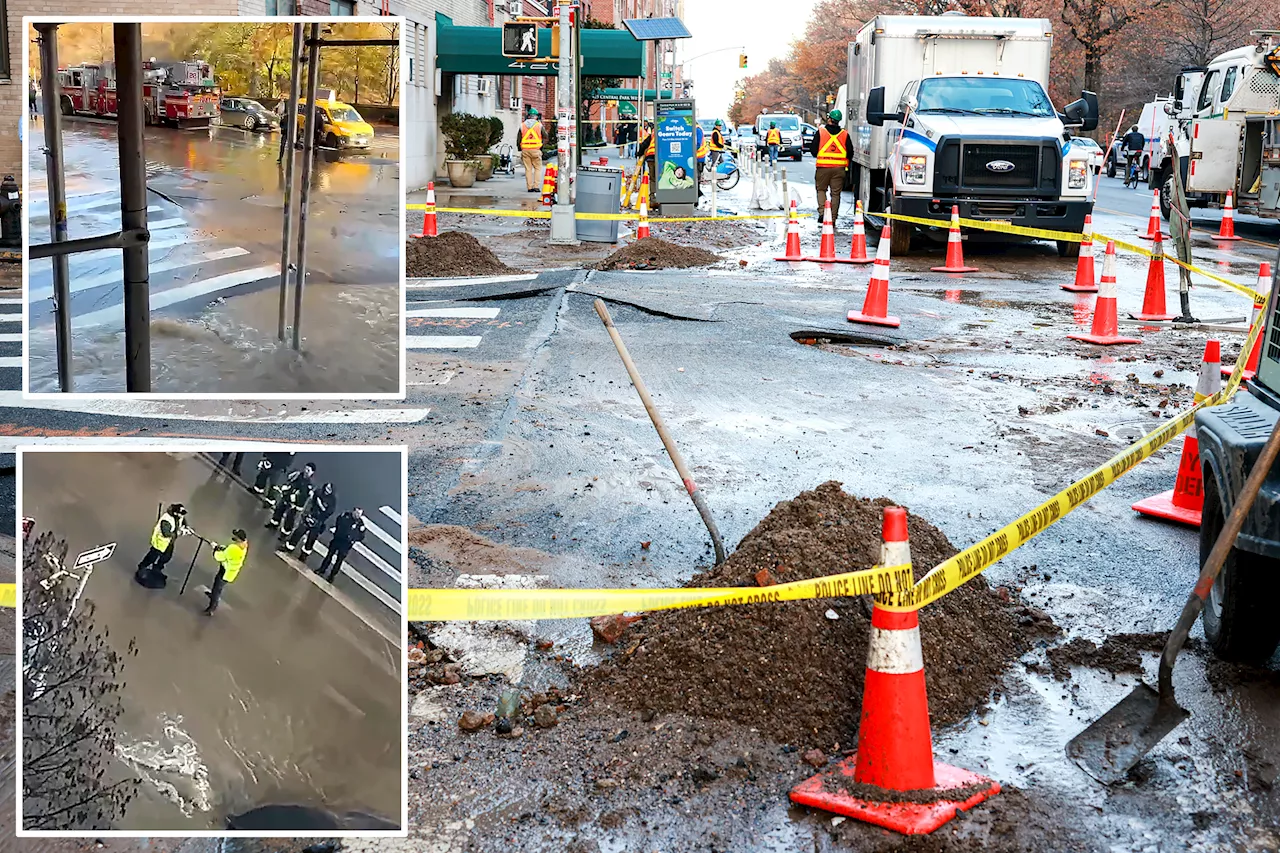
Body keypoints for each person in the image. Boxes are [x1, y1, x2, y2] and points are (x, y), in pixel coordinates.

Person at [810, 109, 851, 226]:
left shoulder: (821, 132)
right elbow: (850, 152)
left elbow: (813, 150)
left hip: (823, 168)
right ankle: (832, 219)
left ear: (829, 119)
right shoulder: (845, 134)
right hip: (839, 169)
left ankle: (822, 213)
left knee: (821, 190)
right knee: (836, 194)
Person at [136, 503, 192, 588]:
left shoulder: (179, 517)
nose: (182, 516)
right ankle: (142, 568)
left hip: (169, 542)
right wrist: (180, 533)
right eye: (181, 514)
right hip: (160, 542)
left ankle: (157, 568)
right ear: (175, 513)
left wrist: (186, 527)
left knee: (167, 557)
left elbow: (183, 521)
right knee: (152, 557)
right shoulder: (166, 520)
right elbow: (166, 533)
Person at [287, 481, 337, 558]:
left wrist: (320, 505)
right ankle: (289, 547)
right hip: (310, 516)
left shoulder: (332, 501)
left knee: (311, 539)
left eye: (329, 489)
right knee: (299, 531)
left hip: (318, 522)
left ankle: (304, 555)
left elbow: (328, 512)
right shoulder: (318, 492)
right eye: (327, 488)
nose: (327, 490)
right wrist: (306, 514)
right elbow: (310, 502)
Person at [204, 529, 248, 616]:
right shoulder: (243, 546)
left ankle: (211, 608)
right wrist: (221, 547)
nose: (234, 537)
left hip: (226, 572)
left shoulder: (234, 548)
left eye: (236, 536)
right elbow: (228, 551)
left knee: (217, 589)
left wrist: (215, 549)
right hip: (230, 571)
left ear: (239, 539)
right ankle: (213, 596)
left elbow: (219, 557)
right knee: (217, 584)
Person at [318, 507, 366, 583]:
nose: (357, 515)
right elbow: (338, 521)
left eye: (359, 514)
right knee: (329, 555)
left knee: (339, 561)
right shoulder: (346, 516)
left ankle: (332, 576)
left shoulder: (360, 524)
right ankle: (322, 569)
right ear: (353, 511)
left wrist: (352, 539)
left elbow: (361, 536)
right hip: (338, 539)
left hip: (345, 545)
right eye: (357, 513)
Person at [267, 461, 316, 532]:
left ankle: (285, 532)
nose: (306, 471)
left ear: (312, 472)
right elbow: (290, 482)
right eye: (305, 468)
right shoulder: (298, 475)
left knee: (290, 518)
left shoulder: (310, 484)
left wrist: (295, 499)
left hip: (296, 504)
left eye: (308, 470)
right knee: (279, 510)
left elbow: (304, 495)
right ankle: (274, 524)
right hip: (287, 498)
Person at [520, 108, 544, 193]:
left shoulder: (522, 125)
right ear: (536, 117)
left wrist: (520, 149)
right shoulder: (539, 125)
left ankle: (529, 187)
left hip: (525, 150)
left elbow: (518, 138)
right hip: (536, 150)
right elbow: (545, 135)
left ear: (528, 116)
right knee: (538, 168)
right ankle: (536, 186)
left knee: (528, 169)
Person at [695, 124, 709, 199]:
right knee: (696, 179)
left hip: (698, 158)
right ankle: (698, 195)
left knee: (696, 179)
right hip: (697, 157)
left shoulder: (697, 129)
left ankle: (698, 196)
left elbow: (697, 144)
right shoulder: (697, 128)